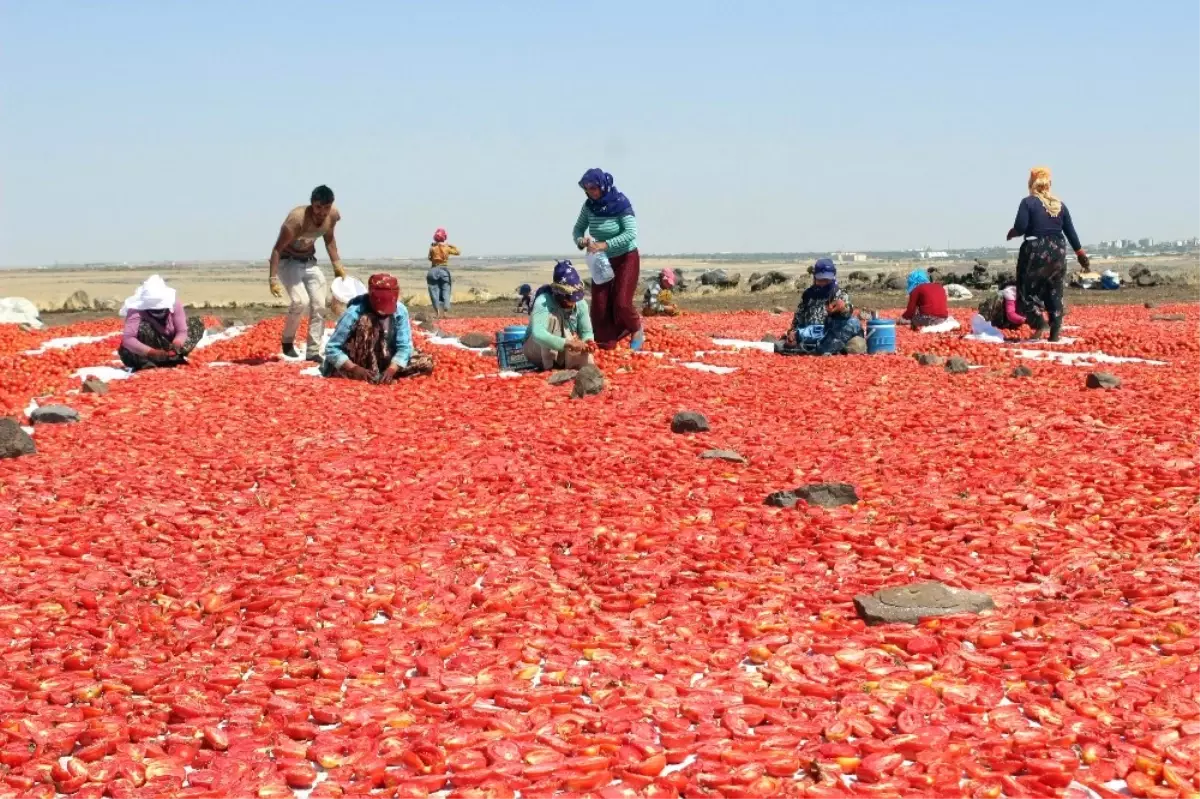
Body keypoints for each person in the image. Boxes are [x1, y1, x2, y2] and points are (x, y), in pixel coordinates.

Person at [1006, 167, 1089, 342]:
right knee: (1054, 289)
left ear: (1031, 183)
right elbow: (1070, 231)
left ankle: (1039, 323)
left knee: (1027, 290)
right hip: (1058, 250)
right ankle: (1055, 329)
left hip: (1037, 249)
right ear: (1049, 184)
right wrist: (1080, 253)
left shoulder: (1028, 202)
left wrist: (1012, 233)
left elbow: (1021, 227)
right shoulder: (1060, 205)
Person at [269, 185, 346, 361]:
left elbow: (329, 240)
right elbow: (277, 249)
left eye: (326, 208)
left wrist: (337, 265)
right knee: (300, 301)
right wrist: (272, 278)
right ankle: (288, 341)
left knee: (319, 304)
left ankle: (313, 351)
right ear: (312, 204)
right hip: (287, 262)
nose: (322, 212)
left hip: (309, 262)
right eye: (318, 207)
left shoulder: (332, 216)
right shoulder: (296, 220)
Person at [573, 169, 641, 350]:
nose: (591, 192)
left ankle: (635, 328)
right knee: (600, 308)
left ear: (603, 186)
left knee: (622, 303)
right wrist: (582, 240)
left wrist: (606, 244)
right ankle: (607, 343)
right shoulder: (588, 206)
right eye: (587, 188)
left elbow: (631, 233)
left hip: (626, 257)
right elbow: (578, 229)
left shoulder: (620, 203)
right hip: (602, 261)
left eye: (594, 187)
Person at [321, 274, 434, 383]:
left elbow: (404, 346)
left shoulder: (400, 311)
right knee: (366, 321)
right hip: (357, 362)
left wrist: (392, 369)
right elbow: (332, 348)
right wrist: (353, 368)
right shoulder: (354, 312)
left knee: (425, 363)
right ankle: (365, 374)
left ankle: (380, 375)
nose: (383, 313)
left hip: (385, 360)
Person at [117, 275, 205, 371]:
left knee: (196, 323)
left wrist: (177, 343)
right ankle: (148, 362)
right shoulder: (135, 308)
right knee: (142, 327)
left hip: (170, 342)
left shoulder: (174, 303)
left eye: (161, 308)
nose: (158, 312)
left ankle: (174, 356)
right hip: (147, 348)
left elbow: (182, 330)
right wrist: (151, 352)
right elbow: (128, 339)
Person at [523, 261, 596, 371]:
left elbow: (586, 332)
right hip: (536, 350)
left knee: (587, 366)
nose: (573, 303)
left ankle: (567, 366)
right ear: (559, 293)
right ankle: (551, 367)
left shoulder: (581, 304)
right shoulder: (543, 301)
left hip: (564, 348)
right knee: (553, 319)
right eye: (569, 300)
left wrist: (588, 341)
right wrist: (567, 343)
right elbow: (538, 334)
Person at [777, 259, 850, 352]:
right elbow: (798, 318)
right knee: (783, 345)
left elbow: (848, 314)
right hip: (807, 335)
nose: (823, 283)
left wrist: (843, 308)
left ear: (833, 277)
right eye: (820, 280)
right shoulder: (808, 295)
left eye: (826, 280)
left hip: (828, 334)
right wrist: (792, 333)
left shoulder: (839, 294)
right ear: (815, 278)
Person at [427, 228, 461, 319]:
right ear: (444, 237)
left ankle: (437, 312)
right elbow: (458, 252)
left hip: (433, 270)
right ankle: (445, 312)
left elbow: (429, 258)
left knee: (434, 291)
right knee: (446, 290)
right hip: (444, 270)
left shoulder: (432, 248)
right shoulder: (447, 248)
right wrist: (449, 245)